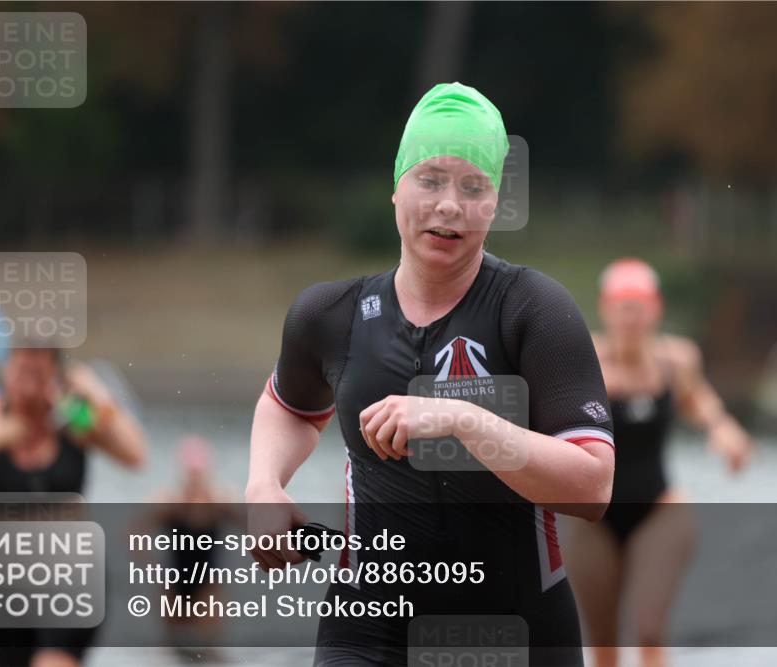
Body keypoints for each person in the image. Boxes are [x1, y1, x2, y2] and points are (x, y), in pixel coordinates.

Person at [246, 82, 616, 666]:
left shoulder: (534, 310)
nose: (449, 205)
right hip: (367, 632)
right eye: (430, 180)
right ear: (396, 189)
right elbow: (290, 406)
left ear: (495, 204)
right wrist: (264, 485)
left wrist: (461, 418)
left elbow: (593, 486)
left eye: (473, 187)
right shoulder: (329, 316)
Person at [563, 258, 754, 667]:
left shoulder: (676, 360)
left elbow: (699, 399)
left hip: (659, 509)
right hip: (592, 518)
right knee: (603, 645)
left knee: (649, 630)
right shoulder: (585, 360)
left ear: (656, 310)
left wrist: (723, 429)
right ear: (605, 309)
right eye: (622, 307)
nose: (631, 318)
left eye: (639, 307)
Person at [0, 345, 147, 667]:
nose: (25, 383)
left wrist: (93, 390)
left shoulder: (71, 417)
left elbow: (134, 454)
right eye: (19, 372)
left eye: (36, 374)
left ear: (54, 377)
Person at [134, 435, 241, 661]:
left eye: (198, 473)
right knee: (170, 651)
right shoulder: (171, 503)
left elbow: (253, 526)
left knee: (209, 652)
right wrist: (153, 567)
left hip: (207, 584)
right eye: (192, 473)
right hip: (174, 584)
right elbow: (135, 533)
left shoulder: (219, 501)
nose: (195, 478)